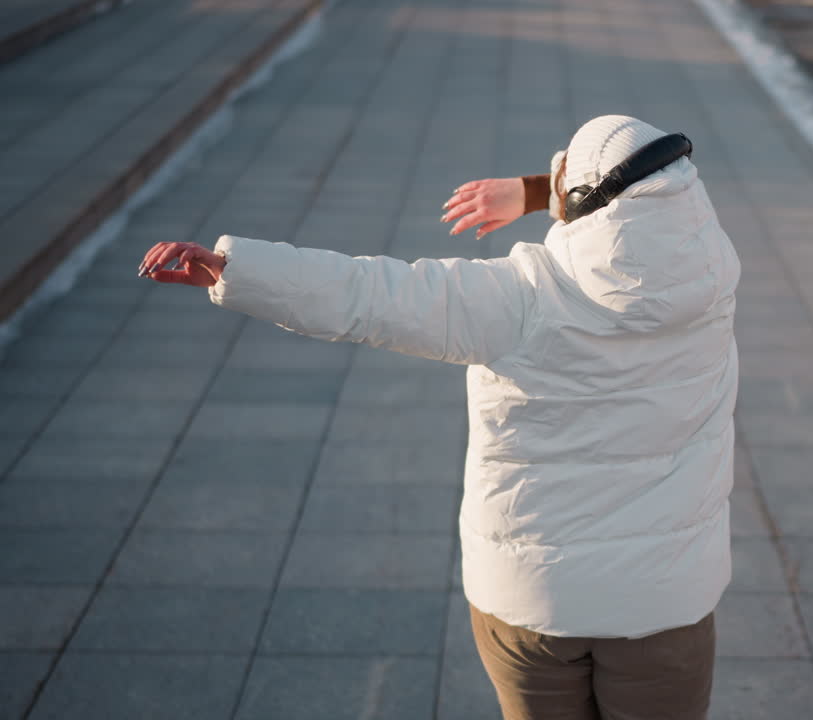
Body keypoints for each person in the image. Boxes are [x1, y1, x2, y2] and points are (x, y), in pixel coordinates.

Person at [138, 115, 740, 720]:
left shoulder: (515, 298)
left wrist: (235, 269)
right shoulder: (713, 285)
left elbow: (368, 294)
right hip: (665, 601)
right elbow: (631, 195)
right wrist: (535, 190)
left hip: (533, 599)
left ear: (578, 197)